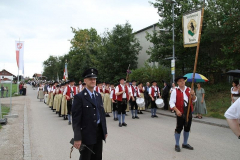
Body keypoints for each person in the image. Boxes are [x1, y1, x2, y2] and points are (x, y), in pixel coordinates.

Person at [72, 68, 108, 160]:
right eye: (90, 79)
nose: (93, 81)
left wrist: (105, 130)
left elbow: (102, 114)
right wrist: (77, 138)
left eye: (94, 79)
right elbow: (76, 120)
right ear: (85, 81)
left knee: (98, 157)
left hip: (99, 132)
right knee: (86, 157)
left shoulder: (98, 96)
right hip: (86, 134)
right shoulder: (79, 97)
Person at [169, 76, 197, 152]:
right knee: (179, 128)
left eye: (183, 81)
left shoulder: (189, 90)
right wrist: (177, 111)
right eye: (180, 81)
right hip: (180, 111)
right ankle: (177, 144)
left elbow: (194, 100)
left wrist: (193, 94)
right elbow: (171, 102)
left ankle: (185, 143)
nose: (182, 82)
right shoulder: (175, 91)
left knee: (187, 127)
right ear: (177, 83)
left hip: (188, 111)